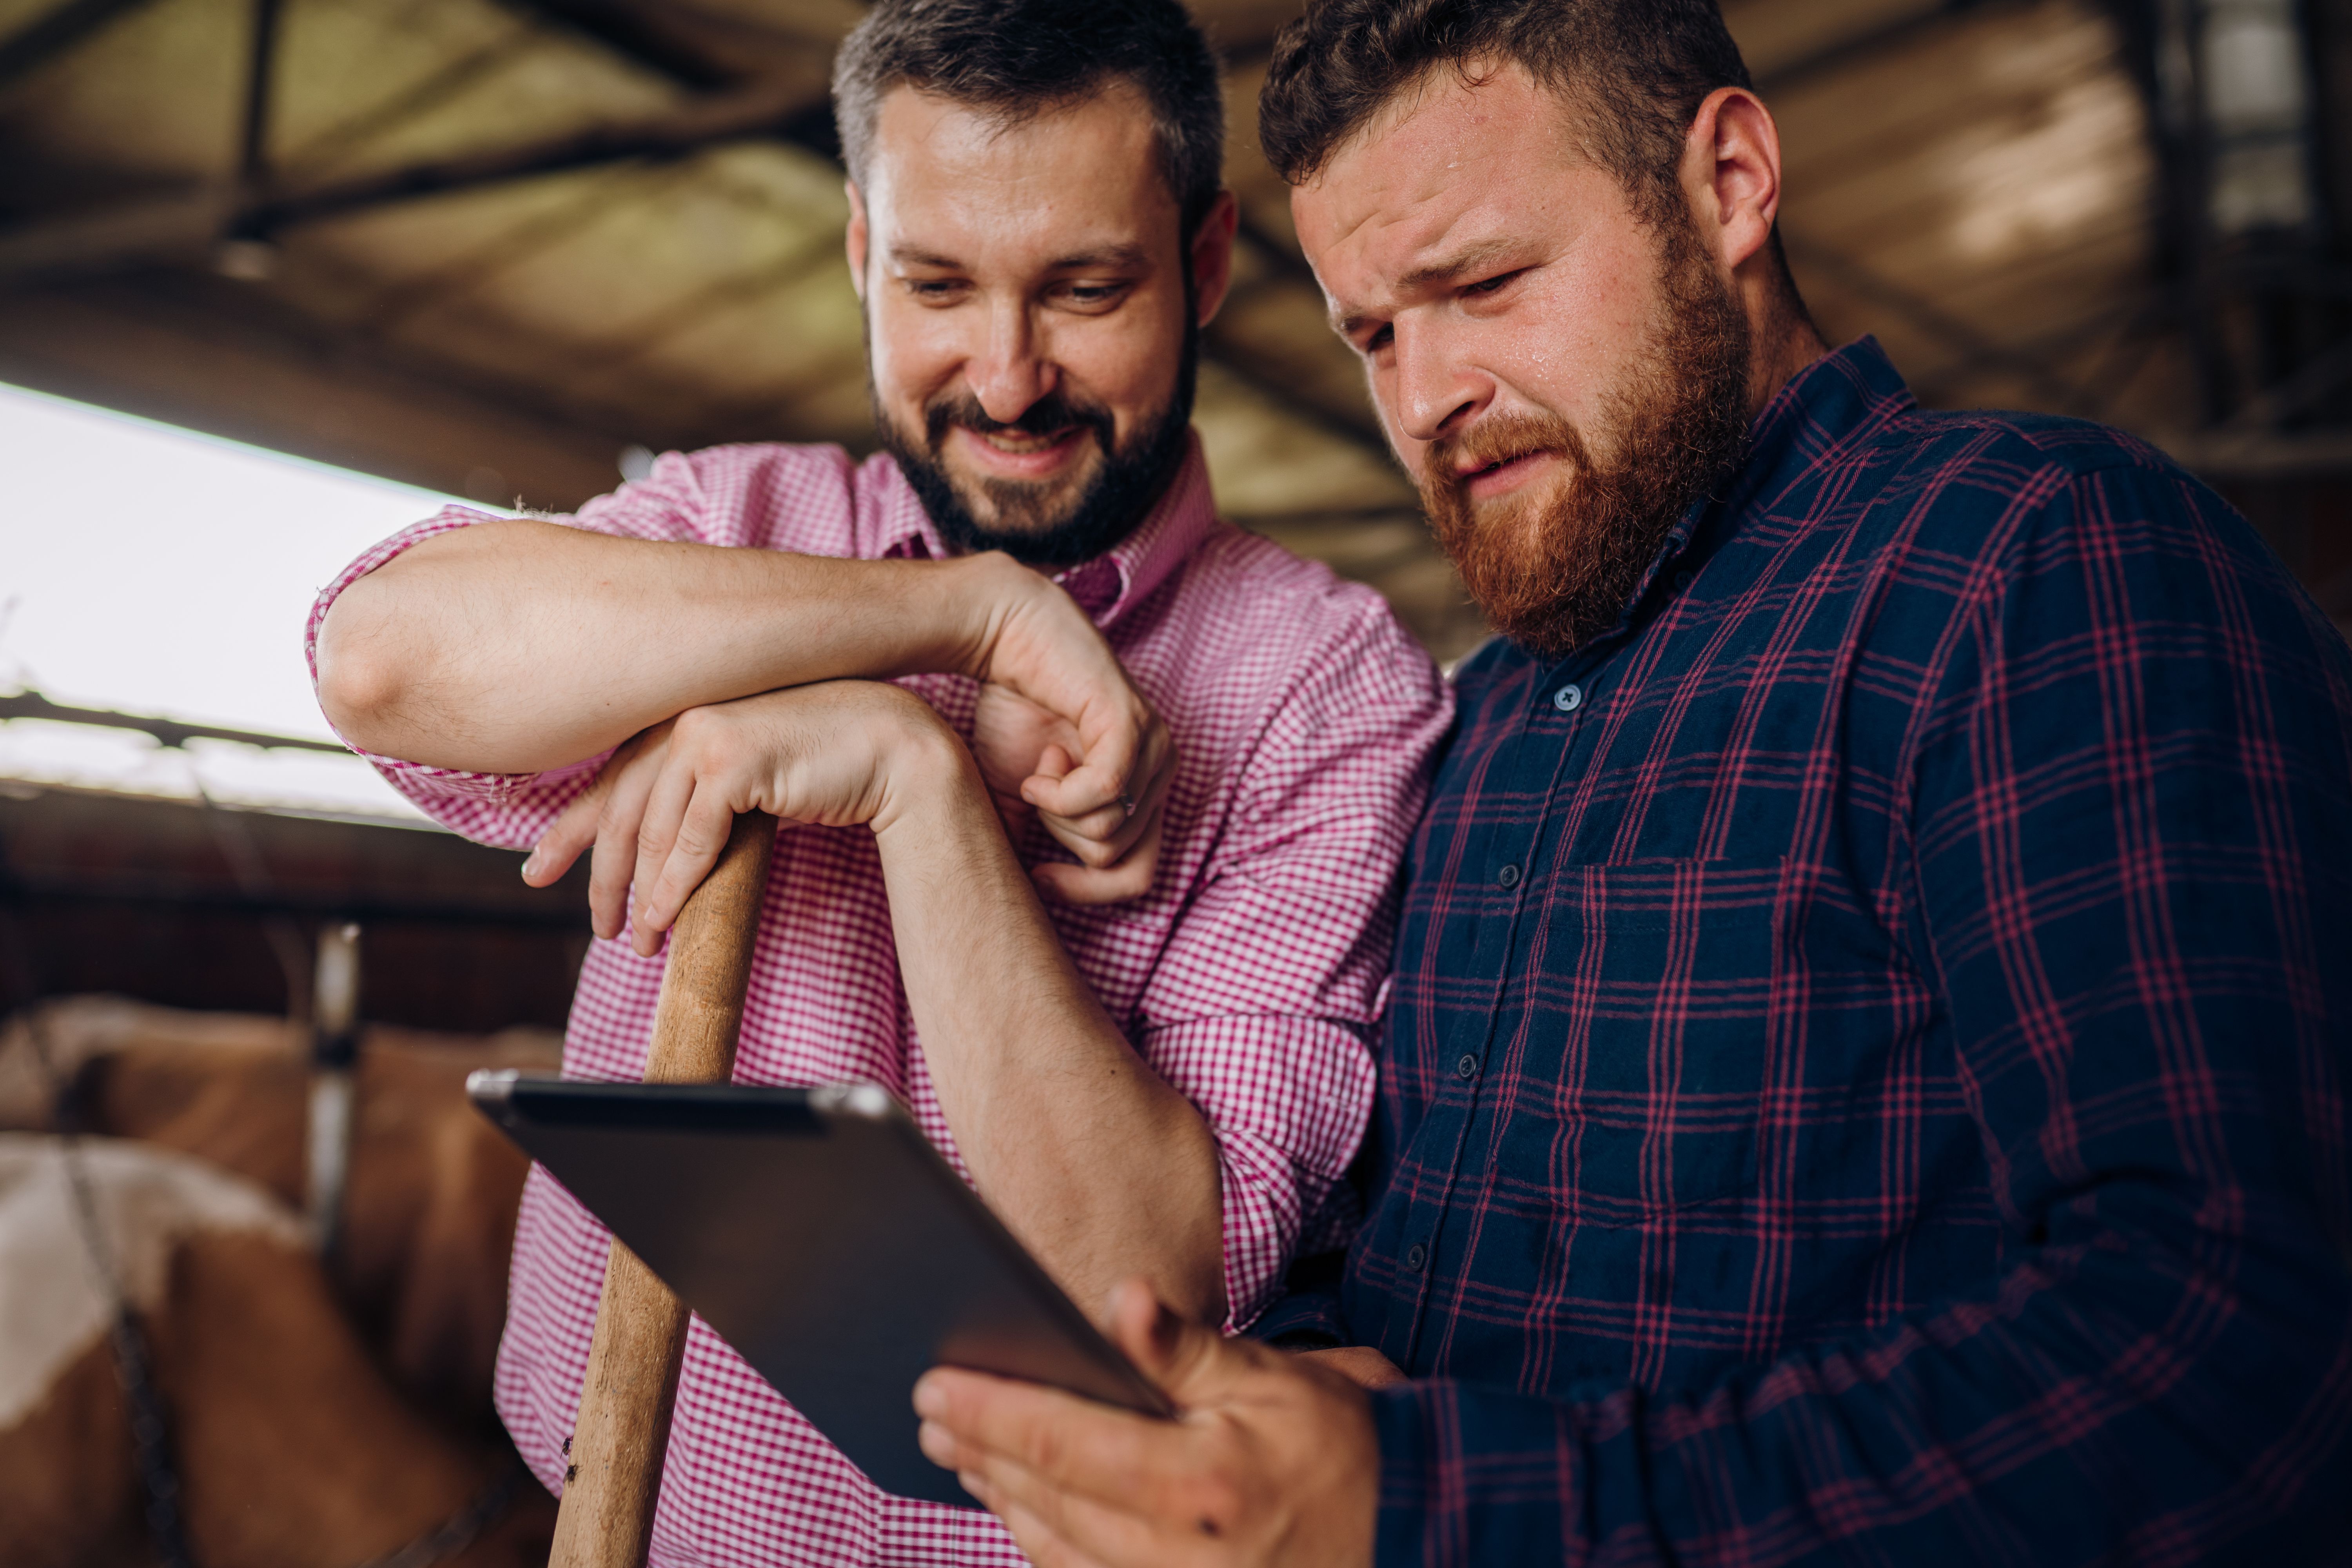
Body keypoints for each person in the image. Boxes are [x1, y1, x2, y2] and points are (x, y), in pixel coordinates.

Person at [909, 2, 2352, 1562]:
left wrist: (1426, 1499)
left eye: (1483, 285)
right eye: (1375, 333)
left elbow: (2245, 1343)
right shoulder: (1474, 729)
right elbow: (1399, 1256)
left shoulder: (2028, 560)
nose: (1422, 398)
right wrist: (1273, 1408)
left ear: (1729, 181)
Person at [307, 2, 1451, 1564]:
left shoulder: (1332, 686)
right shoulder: (731, 526)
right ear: (860, 254)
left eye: (1086, 287)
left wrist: (914, 786)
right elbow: (383, 659)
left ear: (1200, 263)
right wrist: (953, 620)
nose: (1008, 373)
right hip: (609, 1519)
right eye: (936, 284)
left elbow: (1155, 1288)